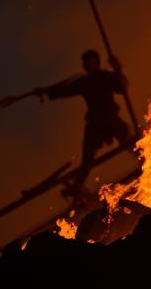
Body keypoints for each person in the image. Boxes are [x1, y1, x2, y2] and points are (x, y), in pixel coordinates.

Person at [36, 49, 132, 193]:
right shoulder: (84, 82)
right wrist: (47, 92)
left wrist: (118, 68)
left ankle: (149, 158)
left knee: (129, 143)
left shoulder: (105, 76)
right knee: (87, 159)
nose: (87, 65)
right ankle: (78, 186)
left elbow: (122, 88)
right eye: (85, 63)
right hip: (95, 124)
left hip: (111, 119)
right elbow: (66, 91)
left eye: (90, 62)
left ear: (96, 63)